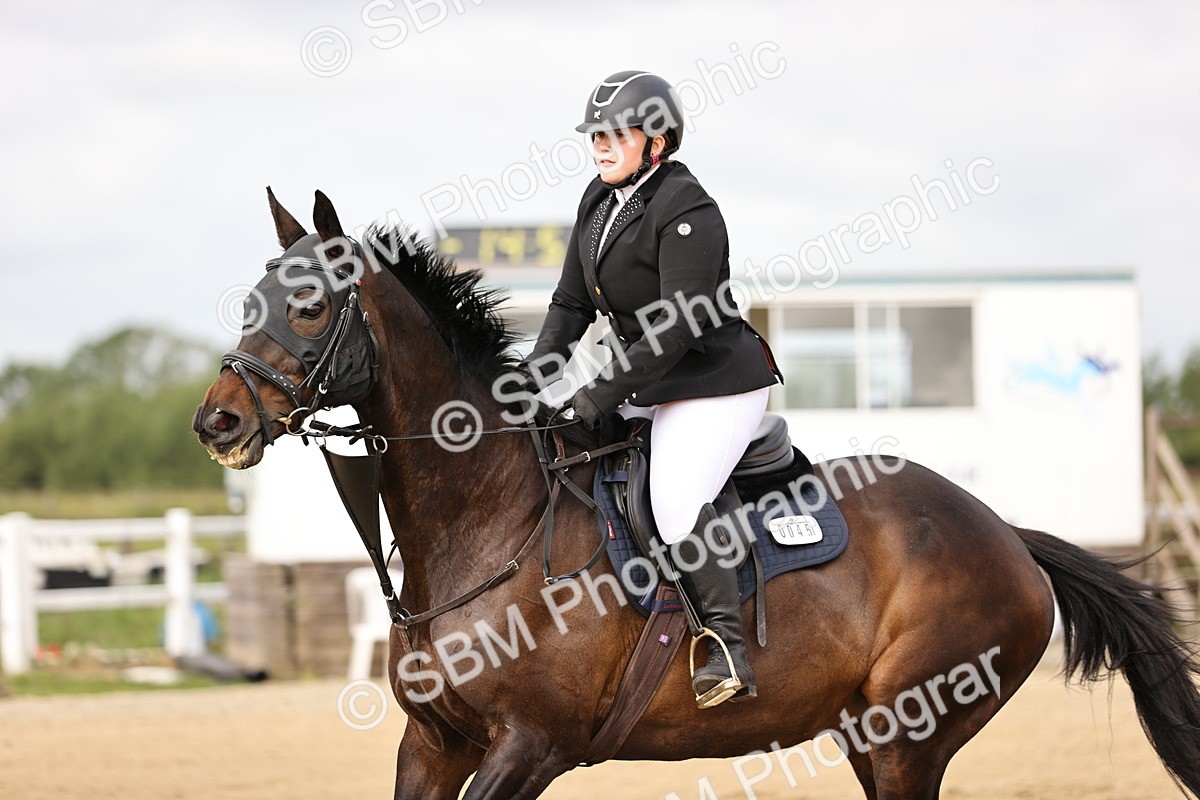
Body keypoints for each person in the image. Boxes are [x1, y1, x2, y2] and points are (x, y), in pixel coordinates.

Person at [523, 70, 783, 708]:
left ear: (657, 140)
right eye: (595, 136)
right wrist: (533, 377)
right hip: (647, 380)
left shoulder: (688, 207)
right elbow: (569, 303)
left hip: (713, 383)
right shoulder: (597, 201)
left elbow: (677, 326)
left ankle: (725, 647)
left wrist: (593, 394)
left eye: (616, 134)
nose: (601, 146)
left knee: (673, 498)